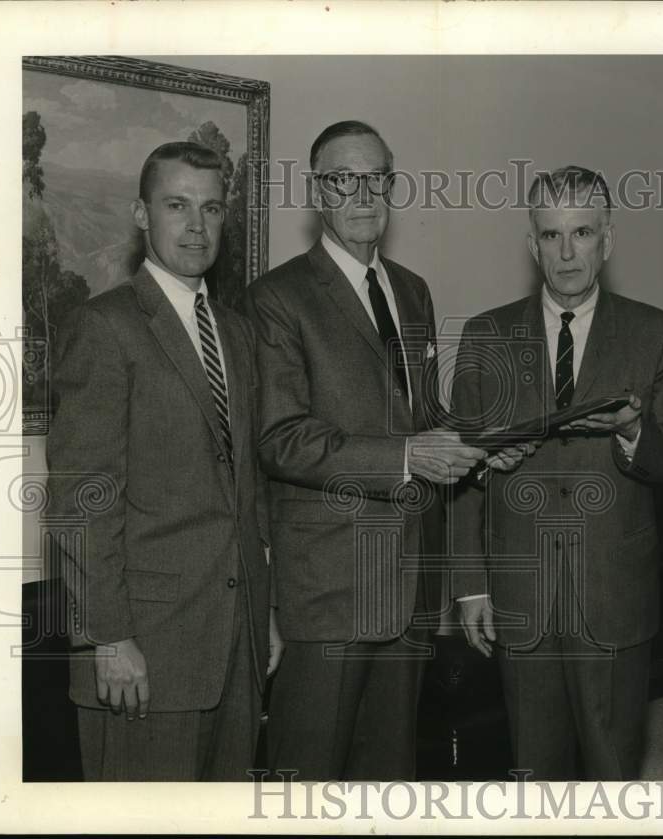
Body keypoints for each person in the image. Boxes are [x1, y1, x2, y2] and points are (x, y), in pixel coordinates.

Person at [246, 120, 506, 780]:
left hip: (411, 581)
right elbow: (281, 438)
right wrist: (406, 458)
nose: (362, 193)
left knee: (388, 774)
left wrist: (478, 444)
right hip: (329, 585)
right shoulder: (276, 299)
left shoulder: (411, 290)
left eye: (376, 178)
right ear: (317, 192)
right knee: (306, 781)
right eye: (343, 178)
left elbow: (419, 415)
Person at [451, 166, 663, 780]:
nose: (567, 252)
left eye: (582, 232)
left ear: (607, 241)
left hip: (613, 593)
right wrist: (471, 585)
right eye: (551, 235)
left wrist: (632, 433)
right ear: (531, 243)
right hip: (519, 593)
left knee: (613, 768)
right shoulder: (487, 334)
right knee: (532, 771)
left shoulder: (652, 332)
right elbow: (458, 473)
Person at [47, 141, 281, 781]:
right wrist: (109, 637)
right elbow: (80, 501)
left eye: (211, 208)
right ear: (142, 215)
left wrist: (266, 616)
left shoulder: (237, 331)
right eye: (177, 206)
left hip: (235, 647)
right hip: (140, 654)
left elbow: (246, 486)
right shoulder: (105, 327)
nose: (197, 226)